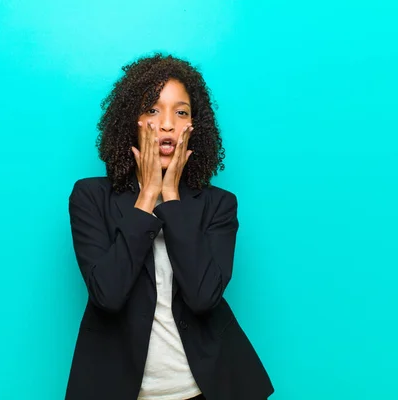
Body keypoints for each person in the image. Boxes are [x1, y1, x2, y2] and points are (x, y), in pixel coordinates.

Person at [65, 53, 274, 400]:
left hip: (206, 389)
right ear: (131, 121)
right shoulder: (90, 197)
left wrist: (171, 197)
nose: (167, 125)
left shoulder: (219, 205)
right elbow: (107, 295)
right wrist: (148, 195)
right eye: (152, 109)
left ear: (195, 127)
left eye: (181, 112)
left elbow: (203, 296)